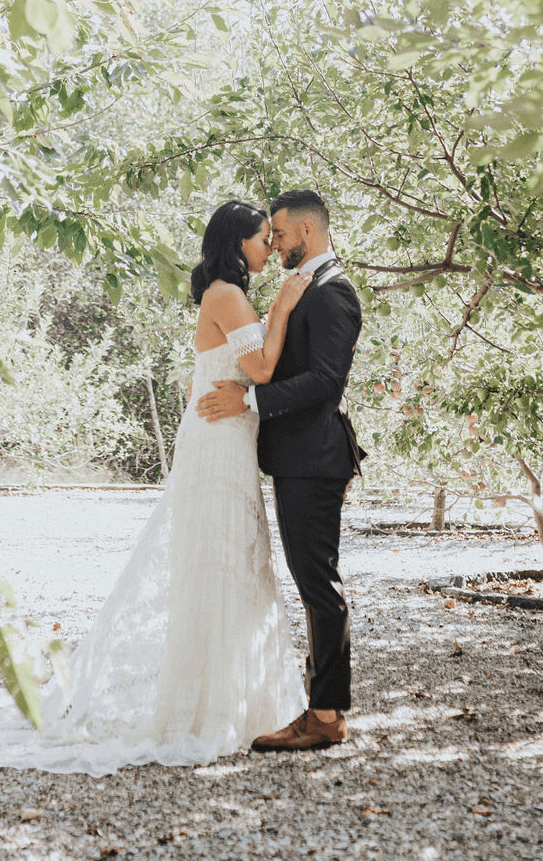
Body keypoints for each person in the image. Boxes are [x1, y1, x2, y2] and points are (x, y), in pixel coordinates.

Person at [0, 200, 311, 775]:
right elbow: (260, 371)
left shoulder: (228, 294)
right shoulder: (229, 293)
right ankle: (206, 711)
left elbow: (213, 374)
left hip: (226, 439)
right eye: (261, 238)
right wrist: (281, 310)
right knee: (219, 562)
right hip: (219, 446)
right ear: (236, 245)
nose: (269, 247)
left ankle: (227, 702)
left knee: (228, 562)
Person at [197, 188, 364, 752]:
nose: (276, 243)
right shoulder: (305, 290)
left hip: (316, 458)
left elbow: (325, 382)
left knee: (319, 584)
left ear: (308, 234)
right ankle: (322, 707)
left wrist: (247, 403)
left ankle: (326, 715)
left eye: (282, 234)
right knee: (312, 580)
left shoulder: (333, 292)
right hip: (297, 457)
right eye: (269, 236)